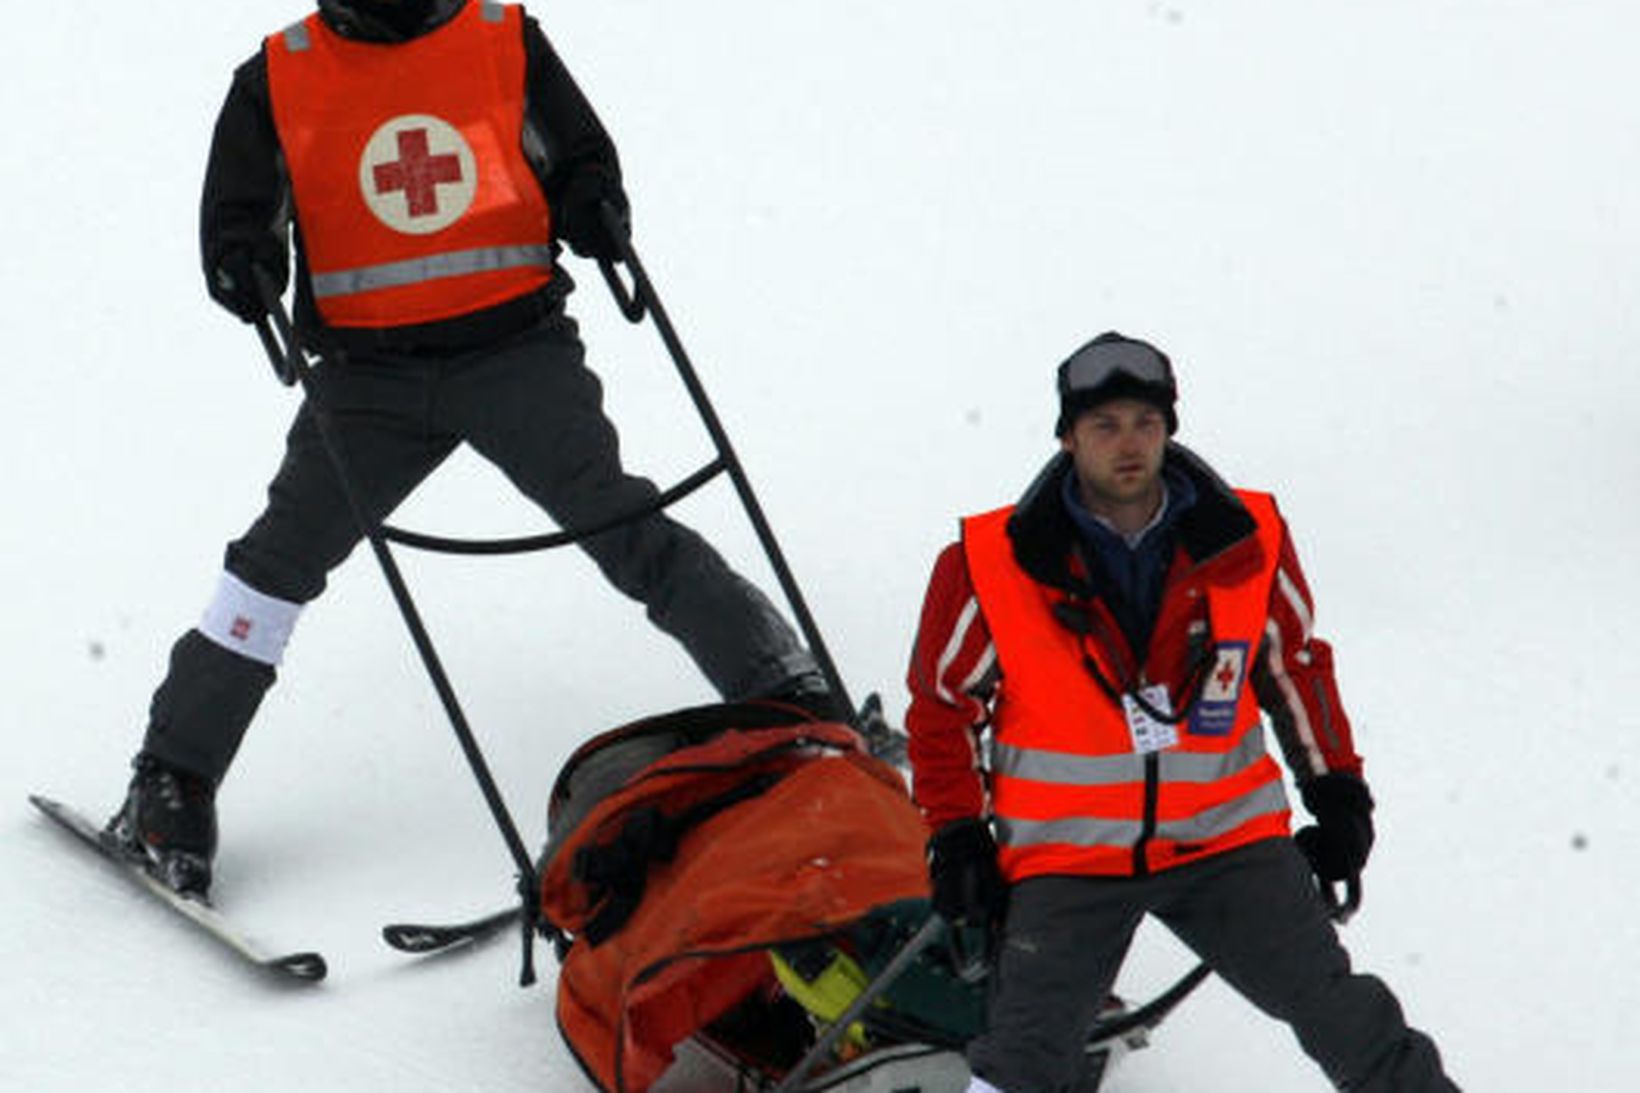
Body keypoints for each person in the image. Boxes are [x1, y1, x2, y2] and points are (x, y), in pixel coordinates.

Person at [105, 0, 835, 897]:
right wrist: (238, 261)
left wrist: (592, 201)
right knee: (272, 568)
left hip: (516, 357)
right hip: (366, 385)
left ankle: (787, 694)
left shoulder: (501, 36)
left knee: (627, 526)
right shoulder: (276, 75)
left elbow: (580, 154)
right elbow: (237, 213)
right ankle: (174, 775)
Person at [904, 332, 1459, 1092]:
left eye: (1145, 422)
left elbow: (1295, 669)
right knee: (1021, 1065)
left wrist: (1337, 793)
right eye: (1104, 426)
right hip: (1069, 862)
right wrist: (958, 836)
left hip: (1227, 844)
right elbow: (943, 708)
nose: (1128, 444)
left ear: (1169, 428)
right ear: (1068, 437)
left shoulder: (1249, 538)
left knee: (1349, 1020)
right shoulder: (987, 561)